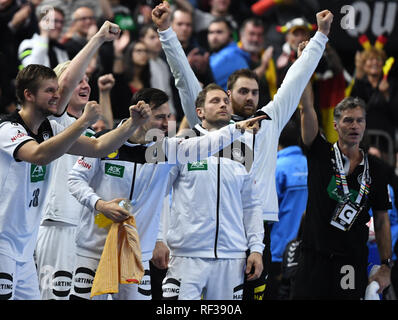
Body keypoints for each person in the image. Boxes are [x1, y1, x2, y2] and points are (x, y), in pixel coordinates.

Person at [153, 0, 333, 300]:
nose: (250, 98)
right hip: (199, 235)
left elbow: (295, 80)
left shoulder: (267, 122)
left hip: (254, 226)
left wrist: (321, 37)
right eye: (242, 92)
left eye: (255, 92)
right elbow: (183, 77)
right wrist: (166, 32)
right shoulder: (202, 128)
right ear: (225, 95)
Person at [0, 20, 153, 300]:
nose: (58, 95)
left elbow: (97, 147)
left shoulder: (52, 127)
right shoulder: (8, 129)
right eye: (50, 91)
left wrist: (131, 125)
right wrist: (83, 122)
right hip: (6, 240)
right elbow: (40, 155)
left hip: (26, 241)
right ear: (28, 95)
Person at [67, 87, 265, 300]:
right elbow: (75, 179)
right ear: (139, 113)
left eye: (168, 116)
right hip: (93, 250)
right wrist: (99, 205)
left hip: (136, 256)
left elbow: (204, 144)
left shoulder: (166, 150)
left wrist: (236, 129)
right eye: (160, 117)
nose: (166, 123)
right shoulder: (104, 142)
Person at [292, 79, 393, 298]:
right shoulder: (320, 153)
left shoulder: (376, 168)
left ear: (365, 125)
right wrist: (305, 66)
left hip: (350, 262)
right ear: (336, 125)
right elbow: (306, 109)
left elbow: (382, 218)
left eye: (359, 121)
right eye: (348, 120)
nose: (354, 126)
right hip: (313, 259)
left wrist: (386, 265)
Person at [34, 62, 115, 300]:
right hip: (58, 223)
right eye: (79, 80)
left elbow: (106, 137)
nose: (85, 85)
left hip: (87, 229)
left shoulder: (87, 133)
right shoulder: (51, 123)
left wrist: (106, 94)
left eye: (87, 80)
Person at [267, 116, 308, 299]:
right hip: (307, 251)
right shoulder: (312, 165)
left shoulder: (275, 168)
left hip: (279, 253)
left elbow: (265, 213)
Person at [207, 17, 250, 90]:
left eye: (219, 32)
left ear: (230, 34)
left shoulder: (231, 55)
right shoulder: (218, 54)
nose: (214, 37)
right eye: (211, 32)